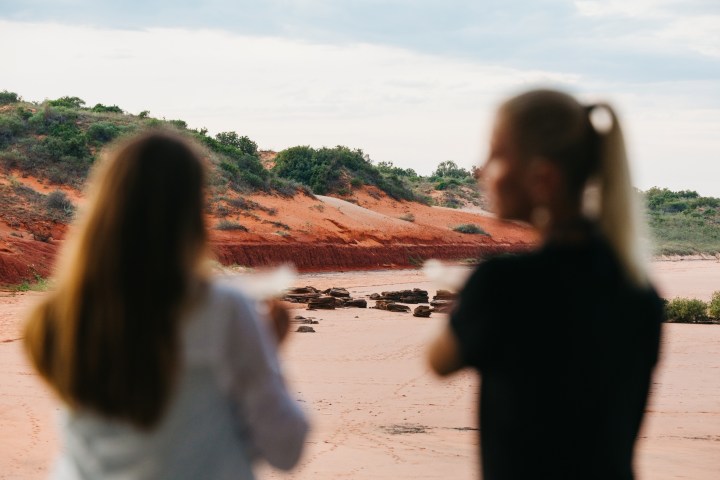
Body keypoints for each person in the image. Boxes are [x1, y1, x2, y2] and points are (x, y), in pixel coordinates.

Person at [23, 131, 308, 479]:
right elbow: (285, 449)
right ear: (189, 215)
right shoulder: (222, 310)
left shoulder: (55, 316)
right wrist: (267, 351)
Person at [428, 89, 663, 479]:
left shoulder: (505, 284)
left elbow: (438, 361)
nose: (483, 170)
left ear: (543, 178)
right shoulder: (642, 294)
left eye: (496, 154)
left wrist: (468, 296)